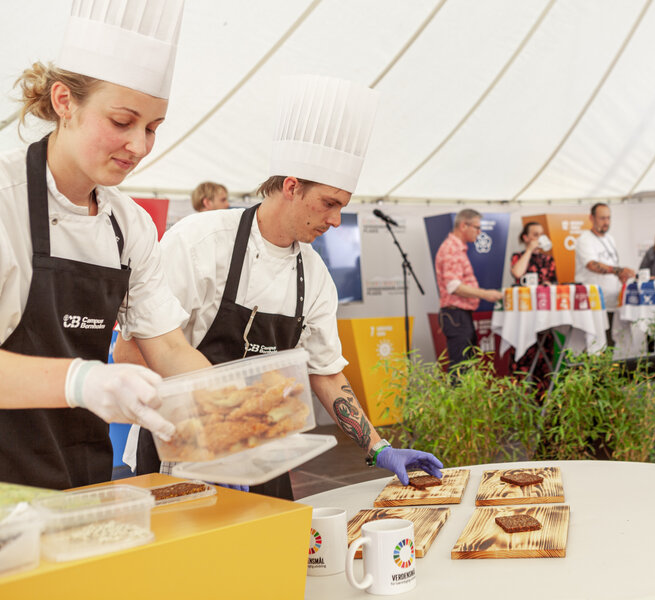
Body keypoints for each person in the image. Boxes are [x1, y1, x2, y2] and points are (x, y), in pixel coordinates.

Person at [117, 75, 442, 500]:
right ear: (291, 186)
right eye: (329, 203)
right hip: (176, 454)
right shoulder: (200, 242)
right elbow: (132, 351)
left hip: (263, 456)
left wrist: (377, 447)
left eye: (342, 206)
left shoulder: (315, 275)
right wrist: (213, 428)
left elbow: (326, 374)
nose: (335, 220)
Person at [0, 0, 211, 490]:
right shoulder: (5, 201)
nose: (139, 145)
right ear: (63, 101)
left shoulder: (129, 225)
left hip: (83, 478)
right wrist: (82, 381)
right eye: (122, 121)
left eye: (153, 128)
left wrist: (232, 411)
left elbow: (170, 348)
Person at [434, 209, 504, 369]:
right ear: (463, 225)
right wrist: (485, 294)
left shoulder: (457, 248)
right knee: (461, 368)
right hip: (455, 315)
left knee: (468, 366)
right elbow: (454, 286)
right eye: (477, 228)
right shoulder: (451, 249)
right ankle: (456, 394)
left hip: (460, 315)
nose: (479, 233)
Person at [574, 202, 635, 346]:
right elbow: (591, 264)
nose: (606, 222)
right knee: (594, 345)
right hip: (593, 304)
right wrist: (619, 270)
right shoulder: (585, 239)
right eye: (602, 218)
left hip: (611, 302)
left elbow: (611, 267)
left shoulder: (609, 239)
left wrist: (621, 275)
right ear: (591, 218)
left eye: (608, 218)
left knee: (610, 344)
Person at [508, 222, 557, 391]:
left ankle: (543, 408)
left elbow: (554, 285)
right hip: (522, 321)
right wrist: (529, 250)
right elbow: (517, 273)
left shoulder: (548, 260)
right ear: (526, 237)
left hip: (544, 321)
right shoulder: (517, 256)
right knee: (521, 364)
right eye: (535, 235)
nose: (539, 238)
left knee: (544, 368)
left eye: (541, 234)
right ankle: (519, 408)